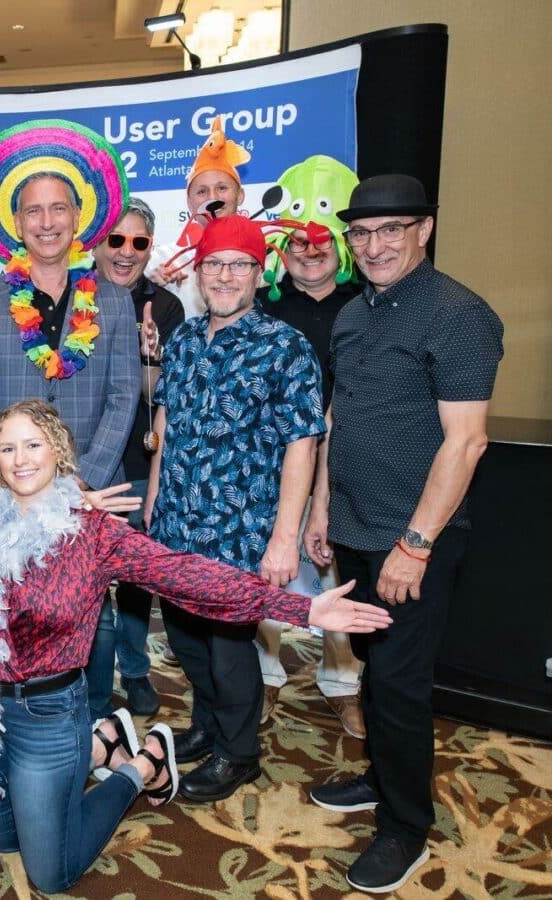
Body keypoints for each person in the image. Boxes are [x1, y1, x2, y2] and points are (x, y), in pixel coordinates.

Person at [0, 400, 392, 894]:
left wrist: (298, 609)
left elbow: (188, 576)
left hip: (51, 713)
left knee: (50, 875)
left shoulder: (95, 535)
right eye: (8, 448)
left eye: (33, 444)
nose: (21, 458)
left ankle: (142, 764)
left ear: (58, 452)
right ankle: (100, 743)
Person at [305, 174, 503, 894]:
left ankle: (404, 827)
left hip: (411, 537)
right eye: (361, 233)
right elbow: (340, 420)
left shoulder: (458, 316)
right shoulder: (358, 313)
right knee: (368, 662)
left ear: (424, 230)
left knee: (397, 683)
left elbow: (467, 442)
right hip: (356, 525)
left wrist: (414, 545)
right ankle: (382, 778)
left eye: (392, 229)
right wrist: (322, 507)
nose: (374, 244)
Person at [0, 119, 140, 718]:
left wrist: (79, 479)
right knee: (19, 609)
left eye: (58, 208)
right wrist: (19, 476)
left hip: (88, 485)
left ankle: (93, 718)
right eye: (33, 211)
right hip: (13, 491)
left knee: (94, 611)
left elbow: (124, 393)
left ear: (79, 215)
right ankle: (25, 717)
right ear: (15, 222)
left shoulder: (112, 298)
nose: (46, 222)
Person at [144, 214, 326, 803]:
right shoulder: (185, 339)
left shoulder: (286, 348)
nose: (224, 276)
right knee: (183, 634)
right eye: (214, 265)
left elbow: (304, 443)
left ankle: (238, 752)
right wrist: (152, 505)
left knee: (228, 649)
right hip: (176, 520)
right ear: (198, 273)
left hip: (241, 528)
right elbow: (165, 427)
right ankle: (207, 725)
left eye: (238, 265)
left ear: (259, 272)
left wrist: (284, 537)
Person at [253, 159, 365, 737]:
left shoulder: (365, 302)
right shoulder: (263, 304)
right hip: (276, 463)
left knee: (337, 574)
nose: (309, 249)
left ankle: (342, 683)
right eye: (296, 240)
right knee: (270, 568)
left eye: (320, 240)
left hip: (348, 463)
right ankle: (266, 679)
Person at [87, 197, 185, 716]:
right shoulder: (72, 292)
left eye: (139, 242)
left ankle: (137, 667)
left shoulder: (164, 307)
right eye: (116, 240)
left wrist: (150, 356)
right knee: (88, 574)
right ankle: (94, 679)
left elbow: (159, 396)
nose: (126, 252)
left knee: (135, 572)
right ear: (97, 243)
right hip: (83, 454)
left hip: (136, 458)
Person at [151, 116, 251, 319]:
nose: (213, 198)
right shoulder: (165, 259)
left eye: (222, 188)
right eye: (202, 191)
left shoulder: (263, 255)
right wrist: (152, 286)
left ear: (240, 195)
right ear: (189, 203)